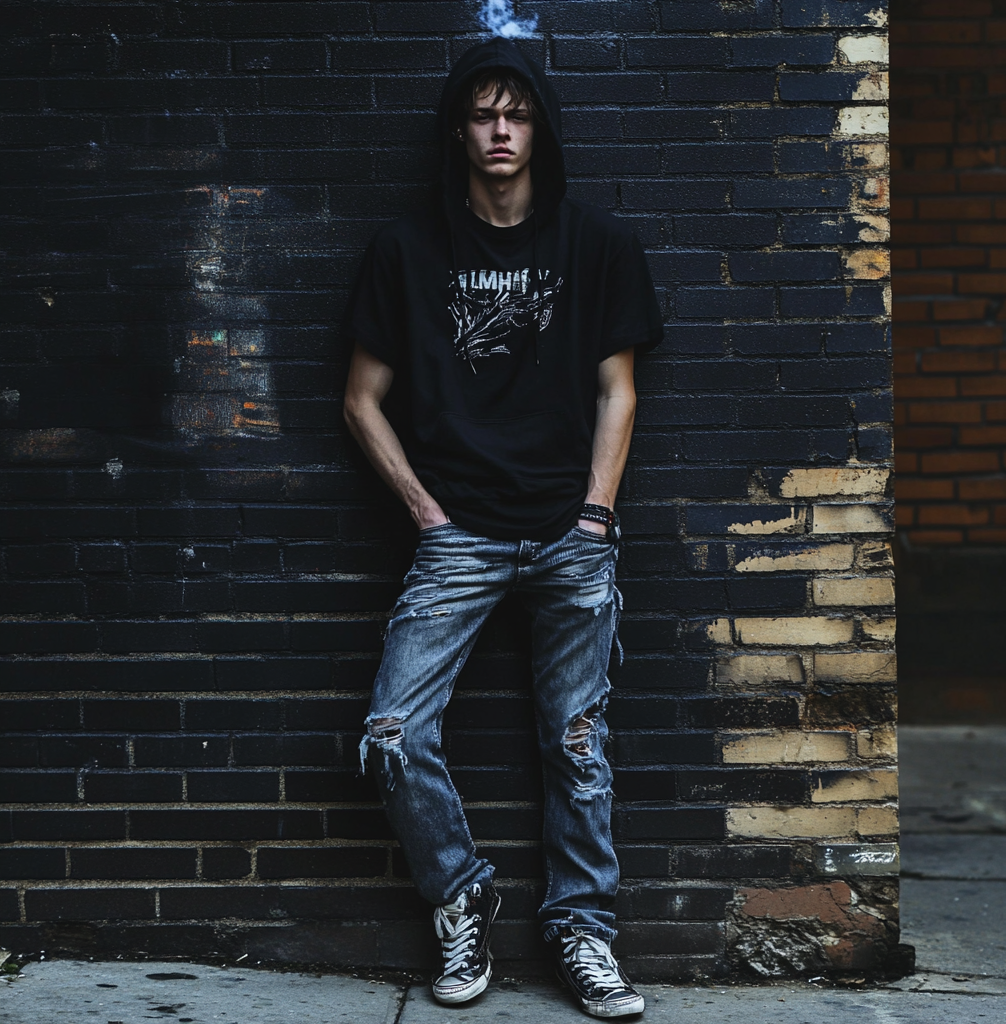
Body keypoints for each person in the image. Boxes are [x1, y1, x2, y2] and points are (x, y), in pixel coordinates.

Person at [343, 38, 661, 1019]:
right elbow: (361, 399)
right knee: (392, 735)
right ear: (459, 131)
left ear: (539, 129)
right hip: (461, 533)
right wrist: (426, 514)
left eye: (514, 113)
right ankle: (461, 894)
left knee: (575, 743)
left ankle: (582, 930)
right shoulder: (406, 252)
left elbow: (619, 389)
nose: (498, 129)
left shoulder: (598, 244)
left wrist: (597, 514)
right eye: (481, 113)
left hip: (572, 529)